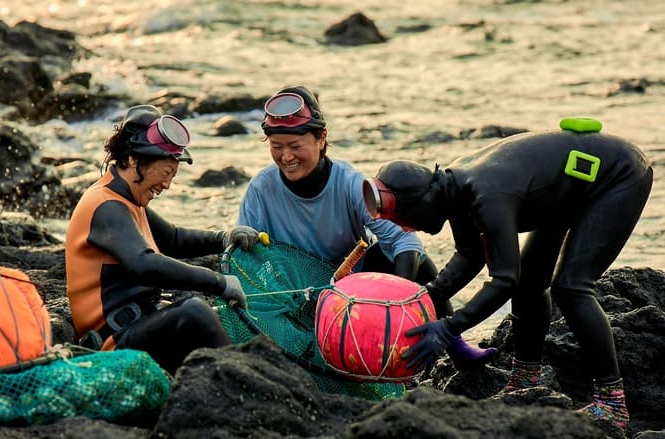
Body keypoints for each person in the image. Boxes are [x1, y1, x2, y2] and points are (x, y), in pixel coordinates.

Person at [363, 125, 653, 428]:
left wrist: (448, 328)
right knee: (529, 285)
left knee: (572, 287)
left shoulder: (487, 195)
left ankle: (612, 403)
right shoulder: (455, 188)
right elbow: (469, 255)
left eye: (405, 220)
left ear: (423, 201)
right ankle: (524, 379)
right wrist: (426, 297)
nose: (407, 229)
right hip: (566, 189)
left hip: (617, 175)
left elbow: (503, 280)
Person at [236, 85, 497, 370]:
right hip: (294, 297)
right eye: (276, 147)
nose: (286, 157)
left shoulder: (348, 183)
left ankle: (455, 346)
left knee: (416, 261)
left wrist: (399, 304)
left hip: (351, 298)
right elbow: (249, 262)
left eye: (296, 146)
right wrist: (241, 241)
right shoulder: (261, 189)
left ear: (322, 139)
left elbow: (405, 242)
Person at [65, 104, 261, 375]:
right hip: (113, 345)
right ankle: (240, 384)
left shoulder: (128, 201)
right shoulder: (106, 206)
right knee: (194, 312)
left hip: (141, 327)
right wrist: (218, 282)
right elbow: (144, 264)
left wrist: (225, 237)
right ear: (134, 160)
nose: (167, 185)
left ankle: (239, 380)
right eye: (166, 173)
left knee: (210, 319)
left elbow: (174, 239)